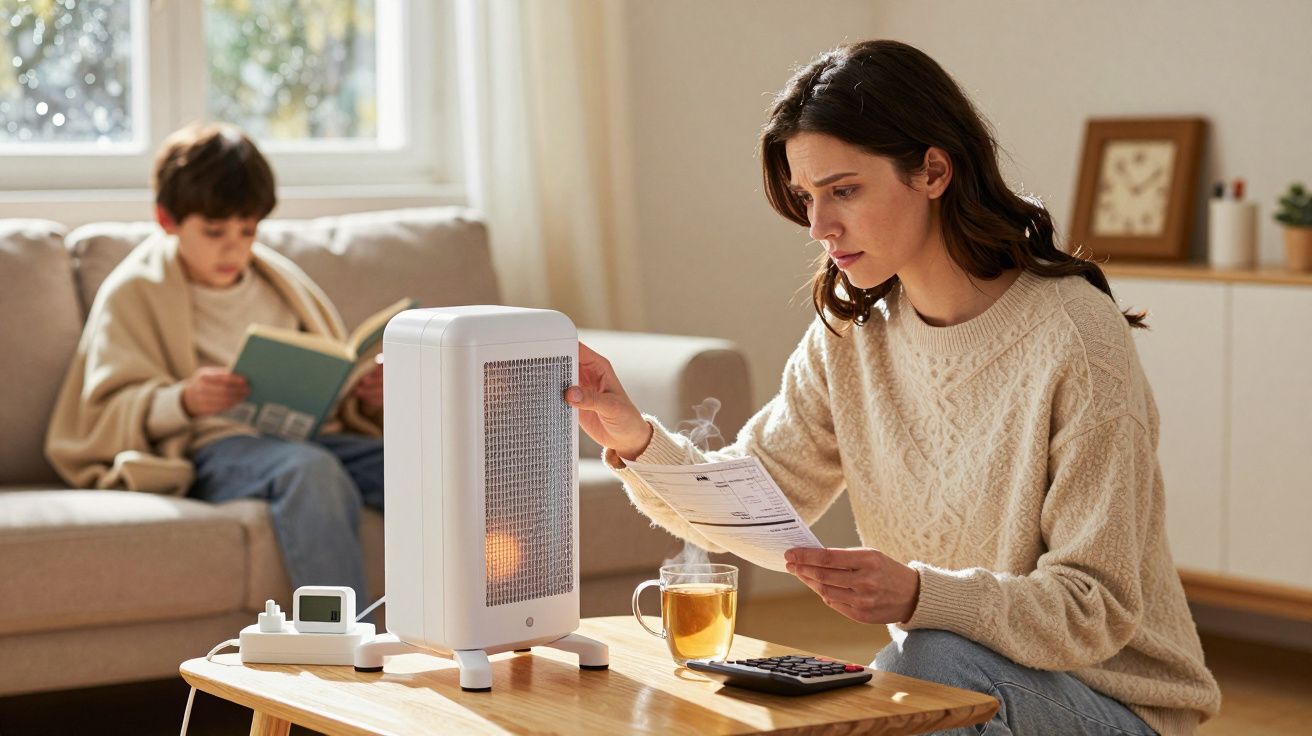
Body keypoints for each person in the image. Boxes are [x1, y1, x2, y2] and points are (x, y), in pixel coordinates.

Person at [566, 40, 1220, 735]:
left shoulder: (1075, 337)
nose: (820, 228)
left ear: (933, 170)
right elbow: (758, 502)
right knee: (890, 685)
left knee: (923, 667)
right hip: (951, 677)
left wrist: (919, 595)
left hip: (1112, 701)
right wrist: (635, 438)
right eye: (806, 198)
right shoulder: (853, 336)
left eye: (844, 190)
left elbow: (1095, 606)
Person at [45, 122, 385, 609]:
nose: (234, 247)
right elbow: (100, 410)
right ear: (167, 219)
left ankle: (482, 628)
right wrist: (183, 399)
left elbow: (329, 378)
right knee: (311, 472)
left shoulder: (278, 280)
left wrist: (361, 396)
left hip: (307, 437)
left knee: (421, 464)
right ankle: (343, 649)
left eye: (247, 230)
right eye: (214, 231)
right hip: (217, 450)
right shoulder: (134, 291)